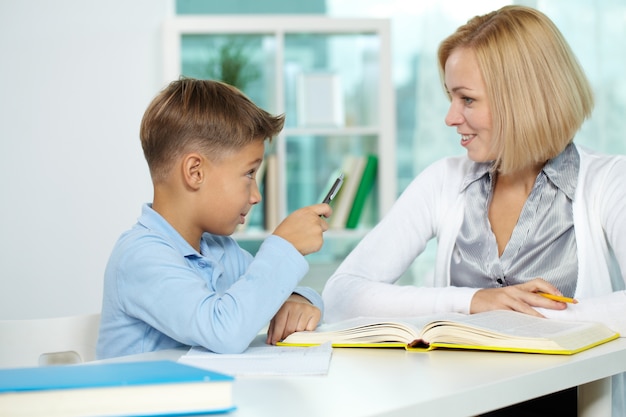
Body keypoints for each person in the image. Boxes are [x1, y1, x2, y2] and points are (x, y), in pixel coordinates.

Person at [322, 5, 626, 417]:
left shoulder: (609, 181)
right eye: (451, 97)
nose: (451, 118)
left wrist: (518, 317)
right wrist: (475, 302)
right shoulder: (442, 181)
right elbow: (341, 294)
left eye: (467, 99)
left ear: (522, 99)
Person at [97, 78, 332, 359]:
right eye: (249, 174)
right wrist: (285, 246)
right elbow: (225, 331)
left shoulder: (219, 250)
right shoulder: (139, 257)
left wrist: (299, 300)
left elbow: (272, 287)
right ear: (195, 172)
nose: (256, 195)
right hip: (145, 402)